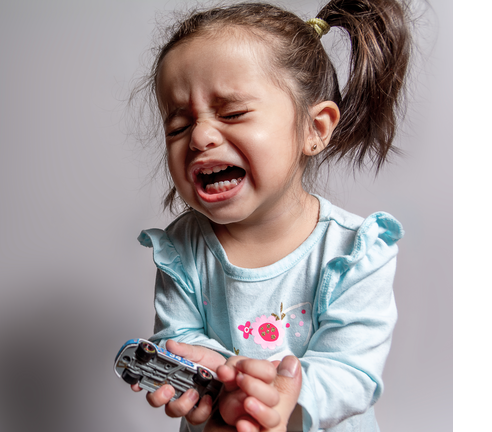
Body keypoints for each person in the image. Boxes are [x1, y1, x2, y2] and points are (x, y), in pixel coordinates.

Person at [125, 1, 411, 431]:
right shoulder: (182, 248)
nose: (200, 136)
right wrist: (216, 375)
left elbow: (351, 372)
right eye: (179, 126)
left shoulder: (355, 251)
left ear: (314, 129)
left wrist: (277, 401)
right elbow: (177, 337)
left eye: (232, 113)